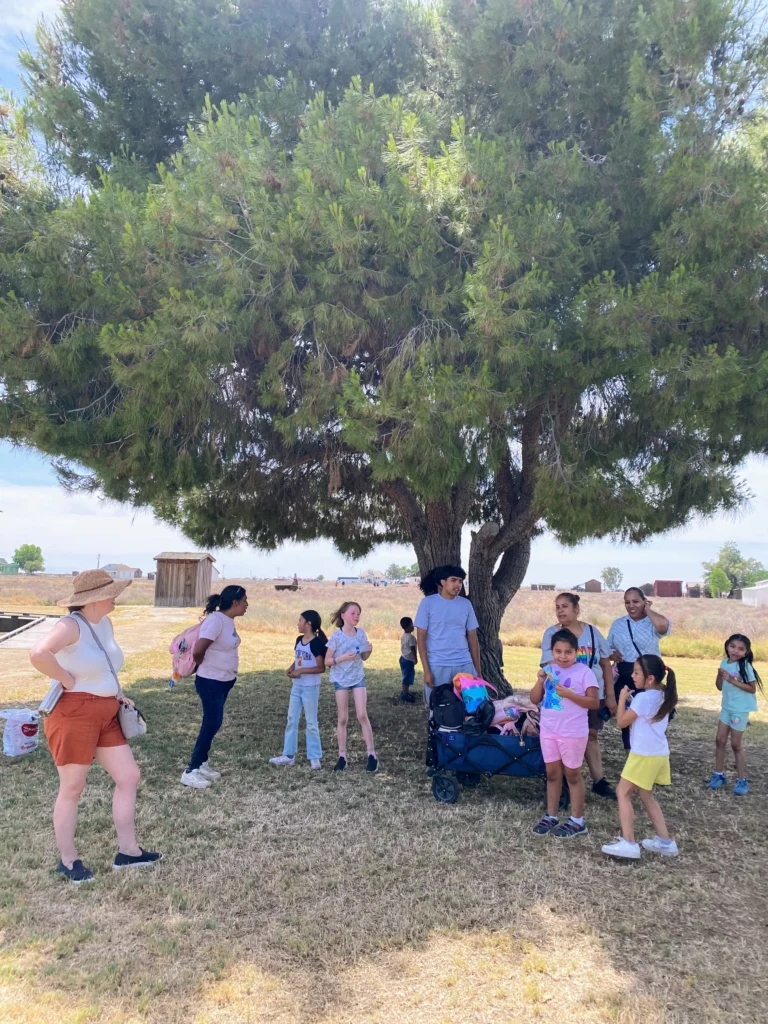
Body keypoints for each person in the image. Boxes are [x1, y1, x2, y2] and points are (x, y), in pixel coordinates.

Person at [30, 569, 161, 883]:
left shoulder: (104, 623)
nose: (115, 597)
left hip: (106, 710)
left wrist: (116, 693)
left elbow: (103, 664)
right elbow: (38, 654)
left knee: (128, 776)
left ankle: (128, 852)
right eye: (111, 592)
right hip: (74, 711)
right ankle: (68, 860)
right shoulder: (69, 625)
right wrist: (66, 679)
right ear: (91, 599)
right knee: (73, 787)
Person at [602, 655, 679, 859]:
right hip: (659, 754)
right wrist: (631, 700)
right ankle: (665, 842)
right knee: (646, 795)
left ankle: (629, 843)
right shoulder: (663, 694)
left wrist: (621, 700)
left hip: (643, 755)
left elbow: (621, 722)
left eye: (637, 672)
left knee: (622, 792)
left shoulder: (644, 698)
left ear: (650, 678)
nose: (632, 676)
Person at [541, 593, 617, 800]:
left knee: (591, 735)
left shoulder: (592, 632)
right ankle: (566, 779)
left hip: (592, 692)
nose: (560, 611)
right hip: (563, 696)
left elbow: (605, 664)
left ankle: (598, 780)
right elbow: (548, 666)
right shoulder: (551, 634)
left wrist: (609, 695)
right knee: (564, 738)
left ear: (576, 609)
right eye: (557, 607)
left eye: (565, 606)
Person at [530, 628, 599, 838]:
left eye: (568, 652)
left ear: (576, 652)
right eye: (558, 651)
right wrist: (540, 680)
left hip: (572, 732)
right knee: (552, 774)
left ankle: (578, 820)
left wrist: (570, 695)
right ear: (552, 651)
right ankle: (551, 815)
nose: (563, 656)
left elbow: (594, 702)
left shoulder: (584, 672)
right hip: (549, 730)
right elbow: (534, 699)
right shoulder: (550, 669)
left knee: (573, 775)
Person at [180, 585, 248, 789]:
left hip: (224, 680)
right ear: (234, 602)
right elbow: (199, 650)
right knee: (212, 722)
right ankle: (191, 770)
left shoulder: (228, 621)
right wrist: (203, 666)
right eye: (245, 600)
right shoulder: (216, 620)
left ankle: (201, 763)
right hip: (210, 680)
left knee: (213, 722)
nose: (247, 605)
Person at [608, 588, 671, 750]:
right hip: (626, 675)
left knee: (651, 715)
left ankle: (652, 751)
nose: (631, 606)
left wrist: (648, 609)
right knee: (628, 719)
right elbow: (608, 649)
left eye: (636, 601)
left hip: (650, 676)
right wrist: (612, 654)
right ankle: (631, 755)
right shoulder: (619, 624)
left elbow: (663, 627)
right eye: (627, 602)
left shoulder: (652, 622)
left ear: (644, 601)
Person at [414, 565, 481, 707]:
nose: (457, 585)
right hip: (438, 665)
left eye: (460, 581)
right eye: (453, 580)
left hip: (464, 664)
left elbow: (473, 638)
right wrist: (426, 670)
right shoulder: (428, 603)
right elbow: (421, 638)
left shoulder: (466, 604)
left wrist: (477, 671)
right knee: (439, 710)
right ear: (442, 582)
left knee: (471, 708)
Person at [269, 610, 327, 769]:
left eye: (300, 620)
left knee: (311, 722)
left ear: (308, 624)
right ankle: (288, 755)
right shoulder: (299, 640)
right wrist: (292, 668)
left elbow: (321, 667)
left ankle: (315, 757)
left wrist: (301, 671)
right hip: (297, 687)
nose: (298, 623)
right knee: (291, 720)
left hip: (310, 688)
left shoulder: (316, 643)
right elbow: (298, 659)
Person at [326, 602, 378, 772]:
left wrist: (369, 651)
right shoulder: (336, 637)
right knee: (342, 718)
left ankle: (372, 755)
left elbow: (363, 657)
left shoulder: (361, 633)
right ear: (343, 615)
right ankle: (342, 756)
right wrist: (342, 658)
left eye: (359, 613)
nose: (357, 616)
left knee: (362, 715)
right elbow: (327, 661)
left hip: (357, 678)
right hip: (340, 679)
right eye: (353, 613)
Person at [708, 633, 762, 795]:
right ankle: (718, 774)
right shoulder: (724, 662)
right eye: (732, 646)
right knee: (719, 740)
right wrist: (719, 675)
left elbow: (752, 689)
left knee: (736, 744)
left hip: (739, 710)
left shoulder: (745, 667)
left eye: (740, 649)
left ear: (746, 652)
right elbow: (719, 687)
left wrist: (732, 680)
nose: (735, 651)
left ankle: (742, 779)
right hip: (726, 708)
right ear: (727, 646)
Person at [398, 616, 418, 703]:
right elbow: (412, 648)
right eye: (412, 624)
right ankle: (405, 695)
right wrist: (415, 658)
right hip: (408, 660)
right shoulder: (411, 637)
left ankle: (406, 692)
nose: (413, 626)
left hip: (403, 658)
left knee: (406, 676)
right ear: (409, 626)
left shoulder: (403, 636)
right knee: (407, 677)